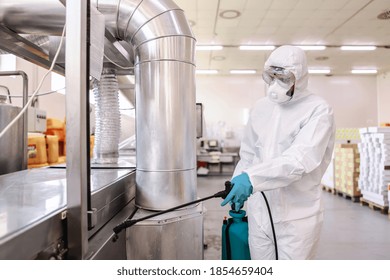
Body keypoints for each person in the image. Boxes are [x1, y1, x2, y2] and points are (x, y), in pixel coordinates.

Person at [221, 45, 335, 260]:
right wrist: (237, 182)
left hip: (296, 217)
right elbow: (248, 154)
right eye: (272, 76)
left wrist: (252, 179)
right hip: (259, 212)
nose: (276, 84)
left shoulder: (318, 109)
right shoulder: (261, 107)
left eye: (284, 78)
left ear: (299, 77)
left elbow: (299, 160)